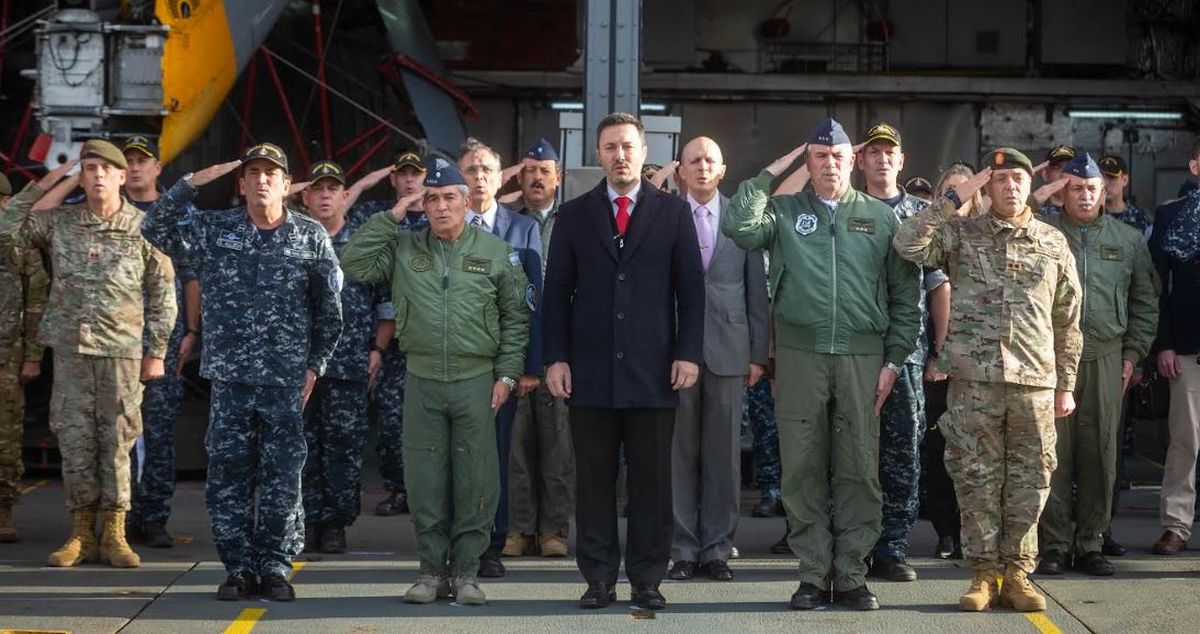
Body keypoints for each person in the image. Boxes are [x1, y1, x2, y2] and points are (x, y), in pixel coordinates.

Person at [723, 118, 921, 611]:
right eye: (818, 156)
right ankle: (812, 574)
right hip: (799, 354)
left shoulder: (880, 218)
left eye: (836, 156)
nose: (828, 164)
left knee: (858, 468)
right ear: (806, 163)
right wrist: (773, 170)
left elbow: (905, 297)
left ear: (851, 161)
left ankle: (851, 574)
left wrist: (894, 359)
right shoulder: (784, 212)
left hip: (862, 356)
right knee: (803, 467)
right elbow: (739, 228)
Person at [141, 143, 344, 601]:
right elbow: (154, 225)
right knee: (229, 477)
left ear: (288, 186)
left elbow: (329, 311)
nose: (262, 180)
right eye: (253, 173)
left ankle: (274, 566)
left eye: (272, 173)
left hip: (285, 381)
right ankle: (237, 567)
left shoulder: (309, 237)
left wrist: (316, 365)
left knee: (282, 477)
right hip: (230, 379)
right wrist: (192, 181)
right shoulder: (216, 230)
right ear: (241, 183)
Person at [893, 147, 1083, 612]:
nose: (1011, 187)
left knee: (1031, 479)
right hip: (974, 381)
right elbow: (908, 243)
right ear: (989, 187)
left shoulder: (1052, 242)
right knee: (974, 477)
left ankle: (1017, 574)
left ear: (1027, 185)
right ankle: (982, 574)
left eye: (1019, 179)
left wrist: (1066, 384)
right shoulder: (960, 234)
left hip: (1034, 382)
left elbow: (1069, 318)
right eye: (1000, 180)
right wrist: (955, 197)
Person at [340, 157, 531, 606]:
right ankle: (430, 573)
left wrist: (506, 373)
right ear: (421, 204)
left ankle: (466, 573)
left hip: (476, 380)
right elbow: (353, 261)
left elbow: (516, 319)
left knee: (476, 479)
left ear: (466, 202)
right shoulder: (405, 247)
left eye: (449, 198)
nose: (441, 207)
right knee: (425, 479)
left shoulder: (496, 251)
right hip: (422, 377)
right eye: (432, 199)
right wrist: (392, 215)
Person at [543, 112, 705, 611]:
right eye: (611, 147)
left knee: (652, 486)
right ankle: (597, 579)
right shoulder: (573, 215)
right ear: (598, 155)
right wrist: (555, 358)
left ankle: (646, 579)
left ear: (642, 151)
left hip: (654, 372)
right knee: (592, 482)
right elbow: (556, 294)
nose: (620, 155)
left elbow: (691, 291)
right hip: (589, 373)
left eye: (628, 146)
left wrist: (688, 353)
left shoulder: (672, 213)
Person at [0, 141, 177, 569]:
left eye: (106, 169)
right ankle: (80, 533)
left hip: (121, 352)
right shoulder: (61, 223)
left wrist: (156, 353)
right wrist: (59, 178)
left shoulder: (144, 227)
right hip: (72, 352)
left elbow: (162, 295)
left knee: (116, 443)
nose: (98, 175)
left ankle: (114, 533)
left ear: (121, 177)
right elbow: (8, 226)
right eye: (90, 168)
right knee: (76, 443)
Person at [1037, 153, 1159, 577]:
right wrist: (1046, 191)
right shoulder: (1044, 233)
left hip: (1106, 357)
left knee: (1101, 453)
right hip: (1050, 358)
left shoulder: (1129, 240)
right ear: (1062, 193)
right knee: (1053, 454)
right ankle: (1053, 544)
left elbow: (1145, 300)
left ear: (1105, 192)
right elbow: (1016, 210)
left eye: (1092, 188)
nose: (1085, 195)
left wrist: (1133, 354)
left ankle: (1090, 542)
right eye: (1075, 187)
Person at [667, 136, 769, 583]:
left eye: (710, 160)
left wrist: (757, 354)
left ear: (722, 170)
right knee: (680, 453)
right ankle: (683, 548)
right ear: (680, 172)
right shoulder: (667, 217)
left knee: (724, 455)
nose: (703, 167)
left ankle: (717, 548)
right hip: (677, 353)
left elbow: (756, 291)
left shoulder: (740, 218)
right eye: (695, 160)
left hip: (731, 350)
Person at [459, 138, 544, 578]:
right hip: (455, 363)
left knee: (496, 455)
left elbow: (534, 298)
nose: (478, 179)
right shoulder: (444, 224)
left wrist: (530, 366)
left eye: (486, 170)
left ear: (501, 176)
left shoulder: (522, 228)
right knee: (456, 455)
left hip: (502, 366)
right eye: (470, 171)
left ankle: (493, 543)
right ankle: (458, 541)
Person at [298, 161, 390, 554]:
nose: (324, 196)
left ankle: (335, 522)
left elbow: (386, 304)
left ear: (344, 197)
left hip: (349, 364)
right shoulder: (294, 240)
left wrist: (378, 350)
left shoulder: (363, 243)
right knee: (301, 447)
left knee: (343, 448)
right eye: (317, 189)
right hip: (300, 366)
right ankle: (305, 519)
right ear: (305, 197)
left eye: (332, 189)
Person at [856, 122, 934, 582]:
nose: (883, 159)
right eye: (874, 152)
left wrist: (938, 352)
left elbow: (939, 285)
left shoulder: (922, 212)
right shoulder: (845, 209)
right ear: (861, 161)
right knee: (854, 452)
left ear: (901, 161)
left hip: (908, 353)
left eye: (891, 152)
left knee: (904, 449)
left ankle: (893, 546)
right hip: (856, 351)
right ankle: (857, 542)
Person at [120, 136, 201, 549]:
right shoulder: (106, 209)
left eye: (142, 161)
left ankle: (152, 516)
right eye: (128, 161)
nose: (135, 168)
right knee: (116, 432)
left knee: (159, 431)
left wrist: (190, 331)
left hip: (164, 339)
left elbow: (191, 275)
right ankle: (118, 515)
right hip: (115, 337)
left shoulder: (179, 211)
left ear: (157, 166)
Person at [344, 151, 428, 518]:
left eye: (417, 174)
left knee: (436, 424)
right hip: (390, 343)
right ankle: (399, 489)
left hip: (430, 337)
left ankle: (431, 493)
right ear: (393, 180)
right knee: (392, 422)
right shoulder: (377, 215)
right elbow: (337, 212)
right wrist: (365, 180)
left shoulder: (440, 214)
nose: (410, 181)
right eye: (402, 174)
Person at [505, 138, 575, 559]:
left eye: (544, 171)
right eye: (529, 171)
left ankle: (553, 529)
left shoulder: (575, 222)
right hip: (517, 346)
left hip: (561, 348)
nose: (536, 178)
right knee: (517, 444)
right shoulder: (509, 224)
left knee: (558, 443)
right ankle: (519, 528)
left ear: (558, 178)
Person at [919, 163, 977, 560]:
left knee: (977, 450)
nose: (956, 196)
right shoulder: (930, 236)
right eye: (949, 190)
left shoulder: (986, 234)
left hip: (979, 364)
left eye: (963, 189)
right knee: (940, 449)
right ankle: (946, 531)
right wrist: (938, 354)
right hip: (938, 361)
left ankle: (973, 529)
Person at [1147, 137, 1200, 555]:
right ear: (1195, 167)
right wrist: (1162, 344)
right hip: (1186, 347)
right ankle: (1177, 525)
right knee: (1186, 440)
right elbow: (1153, 288)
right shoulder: (1172, 218)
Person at [0, 173, 48, 543]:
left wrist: (33, 356)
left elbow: (36, 304)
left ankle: (3, 510)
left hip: (7, 354)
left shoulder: (20, 246)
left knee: (6, 436)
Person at [1099, 155, 1151, 235]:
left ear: (1125, 180)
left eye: (1112, 178)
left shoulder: (1139, 217)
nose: (1105, 183)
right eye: (1101, 178)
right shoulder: (1091, 215)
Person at [1037, 145, 1075, 217]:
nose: (1063, 173)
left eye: (1070, 168)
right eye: (1057, 168)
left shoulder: (1088, 210)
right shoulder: (1031, 211)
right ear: (1045, 174)